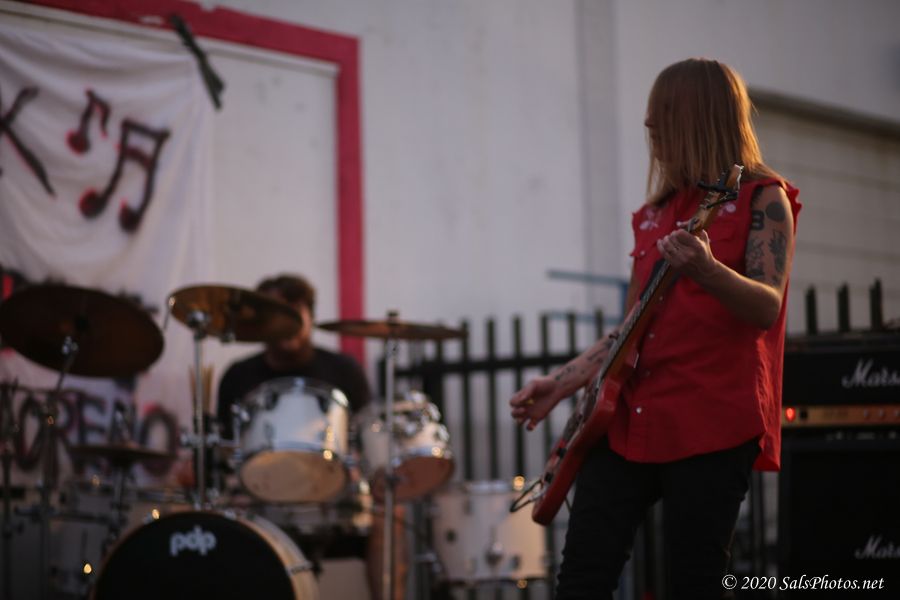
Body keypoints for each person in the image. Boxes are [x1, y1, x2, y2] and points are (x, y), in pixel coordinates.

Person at [509, 58, 800, 599]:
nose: (648, 126)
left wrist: (707, 270)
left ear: (698, 116)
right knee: (581, 579)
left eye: (662, 113)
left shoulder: (764, 198)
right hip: (627, 418)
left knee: (693, 582)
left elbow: (767, 305)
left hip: (711, 420)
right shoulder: (654, 213)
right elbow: (632, 325)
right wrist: (562, 383)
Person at [217, 274, 406, 600]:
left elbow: (366, 440)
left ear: (310, 316)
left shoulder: (343, 370)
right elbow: (223, 449)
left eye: (294, 312)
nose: (288, 323)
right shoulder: (238, 376)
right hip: (260, 502)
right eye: (277, 314)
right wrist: (233, 484)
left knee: (390, 517)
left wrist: (364, 473)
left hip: (334, 499)